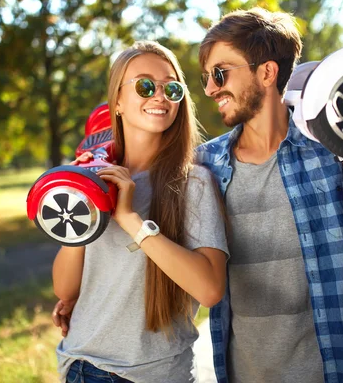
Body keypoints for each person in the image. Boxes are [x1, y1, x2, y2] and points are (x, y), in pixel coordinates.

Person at [194, 8, 343, 383]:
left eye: (220, 73)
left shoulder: (329, 150)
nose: (210, 88)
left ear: (267, 72)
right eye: (207, 77)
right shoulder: (204, 166)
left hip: (340, 370)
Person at [51, 40, 229, 383]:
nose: (159, 96)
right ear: (117, 100)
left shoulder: (194, 184)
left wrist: (131, 220)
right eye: (145, 85)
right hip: (81, 366)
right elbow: (65, 289)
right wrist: (83, 202)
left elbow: (209, 290)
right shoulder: (93, 179)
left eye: (171, 88)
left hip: (153, 375)